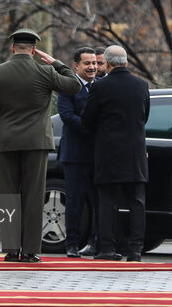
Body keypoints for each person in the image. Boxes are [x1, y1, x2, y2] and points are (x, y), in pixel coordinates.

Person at [0, 29, 80, 263]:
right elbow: (74, 85)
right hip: (36, 142)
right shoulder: (45, 71)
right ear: (34, 50)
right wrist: (55, 63)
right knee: (33, 196)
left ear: (12, 47)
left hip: (7, 141)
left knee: (8, 196)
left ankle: (11, 250)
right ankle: (30, 251)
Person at [81, 45, 150, 262]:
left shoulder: (100, 87)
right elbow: (144, 115)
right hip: (135, 153)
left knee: (108, 201)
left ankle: (107, 249)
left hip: (108, 153)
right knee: (137, 202)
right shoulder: (142, 85)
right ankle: (135, 250)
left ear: (108, 64)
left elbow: (87, 119)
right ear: (126, 62)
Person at [57, 47, 99, 258]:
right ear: (76, 66)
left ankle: (96, 241)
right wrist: (91, 128)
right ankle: (72, 244)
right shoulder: (68, 87)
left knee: (99, 200)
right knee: (75, 202)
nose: (92, 67)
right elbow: (67, 116)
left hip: (98, 155)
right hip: (75, 155)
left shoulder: (101, 86)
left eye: (94, 63)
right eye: (87, 63)